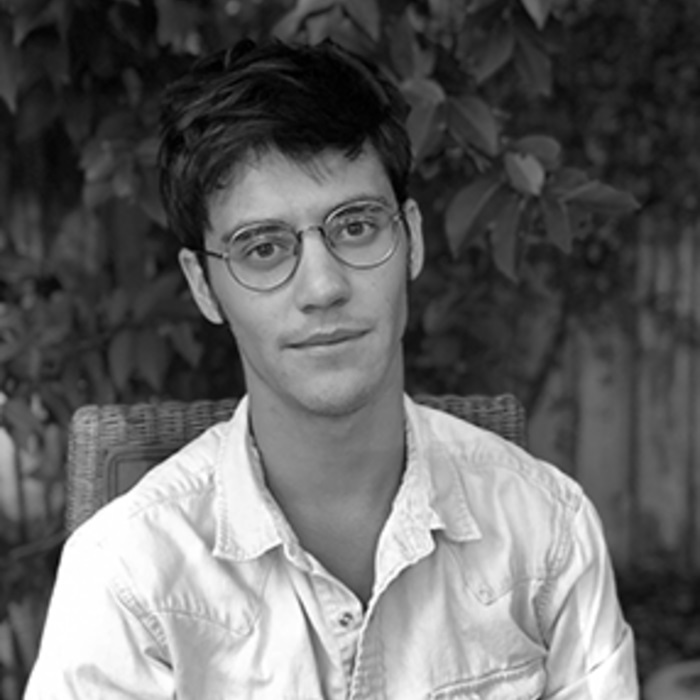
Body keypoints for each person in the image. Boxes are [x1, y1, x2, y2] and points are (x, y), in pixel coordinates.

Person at [25, 39, 639, 699]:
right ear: (203, 286)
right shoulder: (129, 576)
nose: (323, 287)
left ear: (412, 239)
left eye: (355, 227)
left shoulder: (546, 529)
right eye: (263, 248)